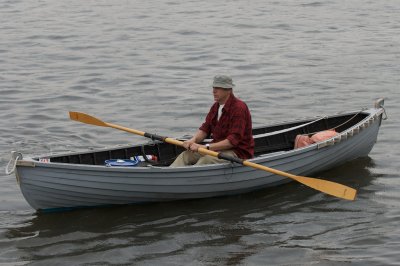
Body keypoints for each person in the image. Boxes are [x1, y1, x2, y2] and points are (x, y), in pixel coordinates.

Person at [170, 75, 254, 167]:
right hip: (217, 149)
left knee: (206, 160)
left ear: (229, 90)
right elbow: (205, 129)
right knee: (186, 155)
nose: (214, 91)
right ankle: (170, 175)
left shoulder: (239, 108)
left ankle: (189, 177)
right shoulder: (215, 107)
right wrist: (193, 140)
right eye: (214, 87)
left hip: (237, 152)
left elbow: (232, 142)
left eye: (218, 88)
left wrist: (205, 147)